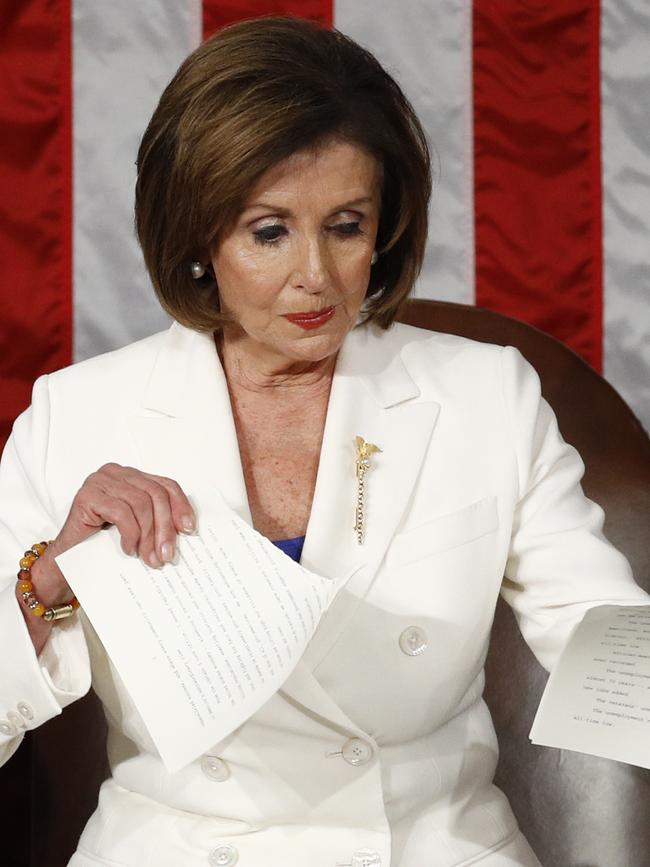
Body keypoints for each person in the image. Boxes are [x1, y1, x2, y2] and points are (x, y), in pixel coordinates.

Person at [0, 16, 647, 867]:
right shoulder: (76, 412)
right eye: (269, 231)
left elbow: (606, 638)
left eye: (345, 224)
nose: (316, 273)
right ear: (199, 236)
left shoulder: (488, 393)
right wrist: (50, 579)